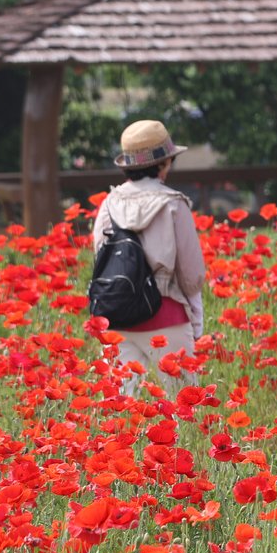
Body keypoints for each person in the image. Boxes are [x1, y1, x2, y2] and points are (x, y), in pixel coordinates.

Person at [92, 120, 207, 397]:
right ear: (164, 164)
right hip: (166, 315)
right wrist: (196, 317)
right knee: (186, 407)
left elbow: (100, 257)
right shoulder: (174, 204)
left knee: (118, 414)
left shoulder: (109, 203)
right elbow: (191, 275)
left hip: (117, 317)